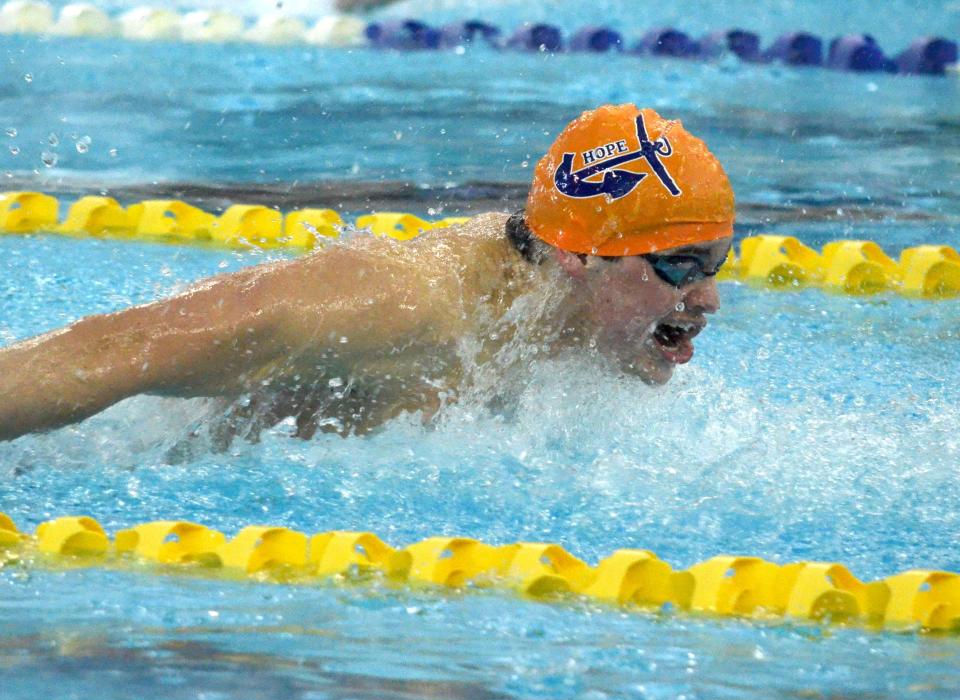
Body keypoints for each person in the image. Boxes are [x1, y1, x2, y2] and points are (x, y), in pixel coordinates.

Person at [0, 104, 734, 443]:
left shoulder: (550, 308)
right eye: (680, 266)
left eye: (717, 261)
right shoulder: (402, 300)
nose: (708, 298)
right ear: (576, 256)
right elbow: (108, 352)